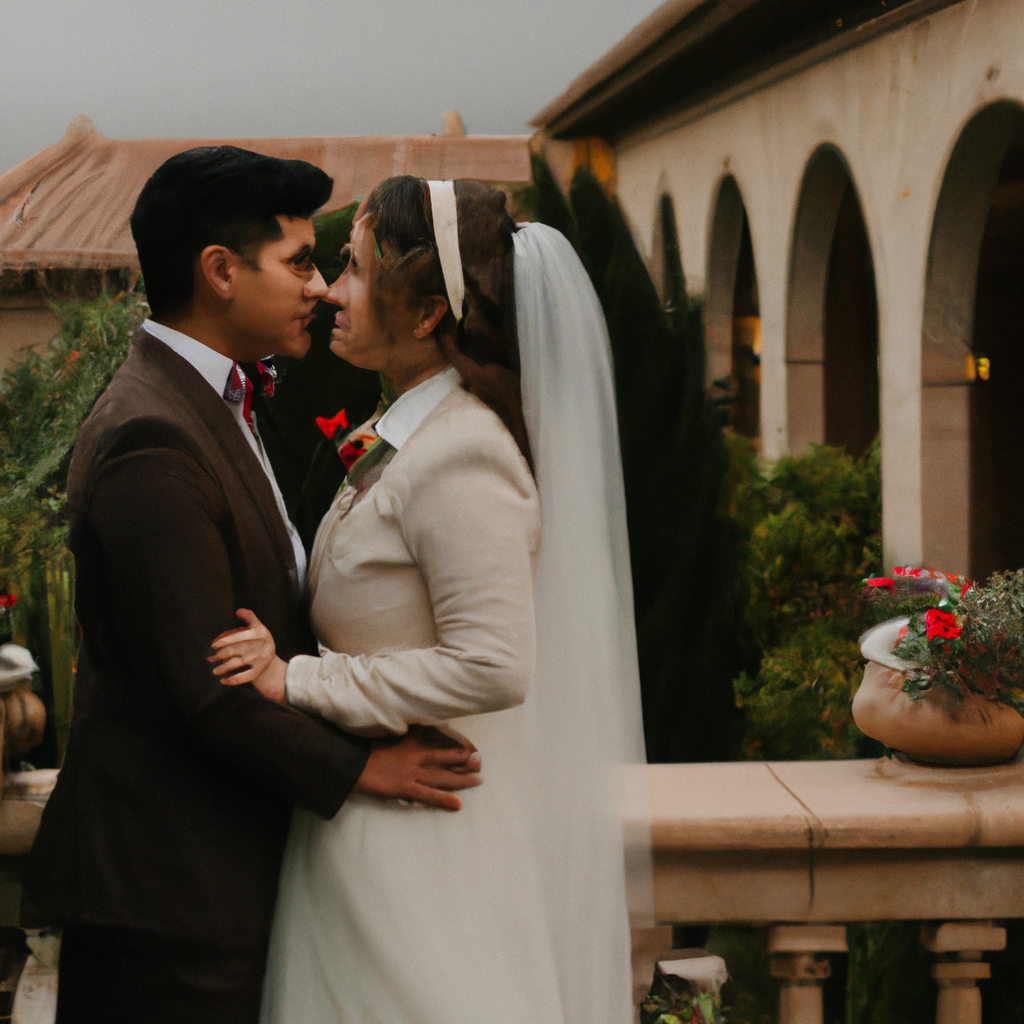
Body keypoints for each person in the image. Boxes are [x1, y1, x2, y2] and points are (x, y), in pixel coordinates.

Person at [24, 149, 481, 1024]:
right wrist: (362, 769)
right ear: (221, 272)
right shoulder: (150, 436)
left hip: (212, 884)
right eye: (300, 262)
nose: (321, 288)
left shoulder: (218, 400)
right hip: (168, 902)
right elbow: (210, 689)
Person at [211, 176, 647, 1024]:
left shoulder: (461, 456)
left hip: (421, 856)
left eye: (356, 269)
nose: (331, 292)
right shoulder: (410, 440)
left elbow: (493, 665)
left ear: (425, 314)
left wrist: (297, 679)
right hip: (367, 837)